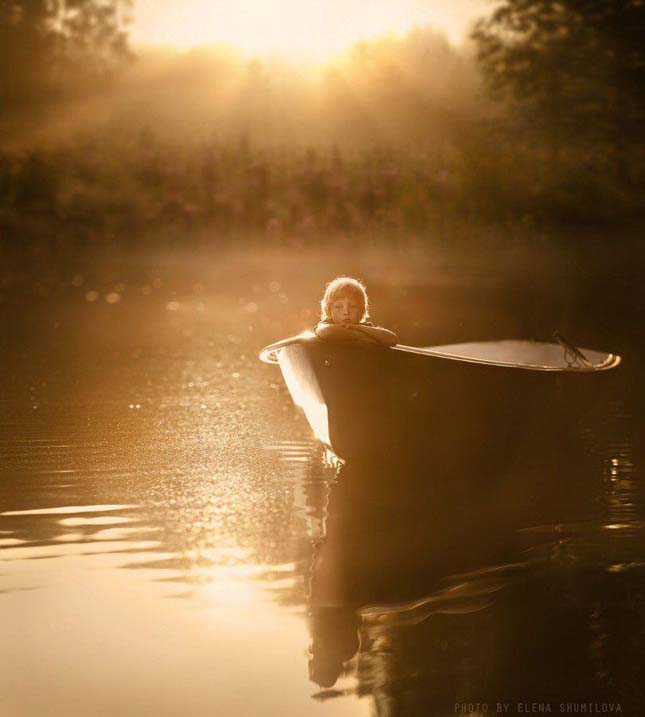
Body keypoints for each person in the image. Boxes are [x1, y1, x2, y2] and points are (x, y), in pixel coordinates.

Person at [314, 276, 398, 347]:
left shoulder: (365, 328)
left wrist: (358, 327)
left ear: (361, 310)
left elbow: (392, 339)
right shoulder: (327, 324)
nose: (346, 312)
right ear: (329, 310)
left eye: (352, 306)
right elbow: (326, 332)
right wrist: (361, 336)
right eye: (339, 307)